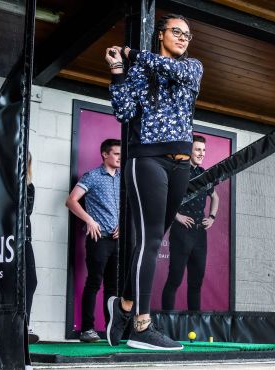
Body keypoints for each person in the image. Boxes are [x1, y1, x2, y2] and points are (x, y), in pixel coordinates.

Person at [104, 13, 203, 350]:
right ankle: (142, 325)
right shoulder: (139, 72)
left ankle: (125, 306)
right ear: (161, 34)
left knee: (155, 237)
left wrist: (131, 53)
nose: (183, 38)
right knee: (151, 238)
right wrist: (118, 72)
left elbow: (169, 69)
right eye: (176, 32)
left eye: (187, 35)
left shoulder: (192, 68)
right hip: (147, 160)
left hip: (181, 164)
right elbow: (124, 112)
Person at [65, 139, 121, 343]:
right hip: (98, 239)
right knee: (94, 283)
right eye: (116, 154)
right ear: (105, 154)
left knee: (113, 288)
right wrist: (89, 220)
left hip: (117, 241)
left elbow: (128, 206)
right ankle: (87, 329)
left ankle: (110, 329)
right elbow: (70, 200)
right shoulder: (93, 176)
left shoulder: (123, 178)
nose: (119, 158)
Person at [161, 135, 219, 311]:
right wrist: (176, 216)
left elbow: (215, 197)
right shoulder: (177, 170)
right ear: (189, 150)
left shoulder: (204, 174)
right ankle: (166, 323)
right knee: (175, 278)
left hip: (199, 234)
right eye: (198, 149)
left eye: (203, 150)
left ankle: (195, 323)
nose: (201, 153)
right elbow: (163, 196)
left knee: (196, 281)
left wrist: (212, 217)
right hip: (181, 231)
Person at [25, 152, 39, 344]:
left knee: (30, 280)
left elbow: (26, 210)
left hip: (24, 239)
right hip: (1, 238)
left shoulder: (28, 186)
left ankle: (23, 324)